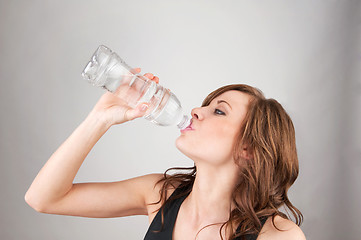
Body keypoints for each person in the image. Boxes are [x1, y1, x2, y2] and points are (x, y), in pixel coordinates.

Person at [25, 68, 306, 240]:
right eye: (205, 105)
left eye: (219, 111)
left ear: (249, 149)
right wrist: (99, 119)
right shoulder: (159, 195)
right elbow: (43, 198)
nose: (196, 110)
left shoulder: (279, 236)